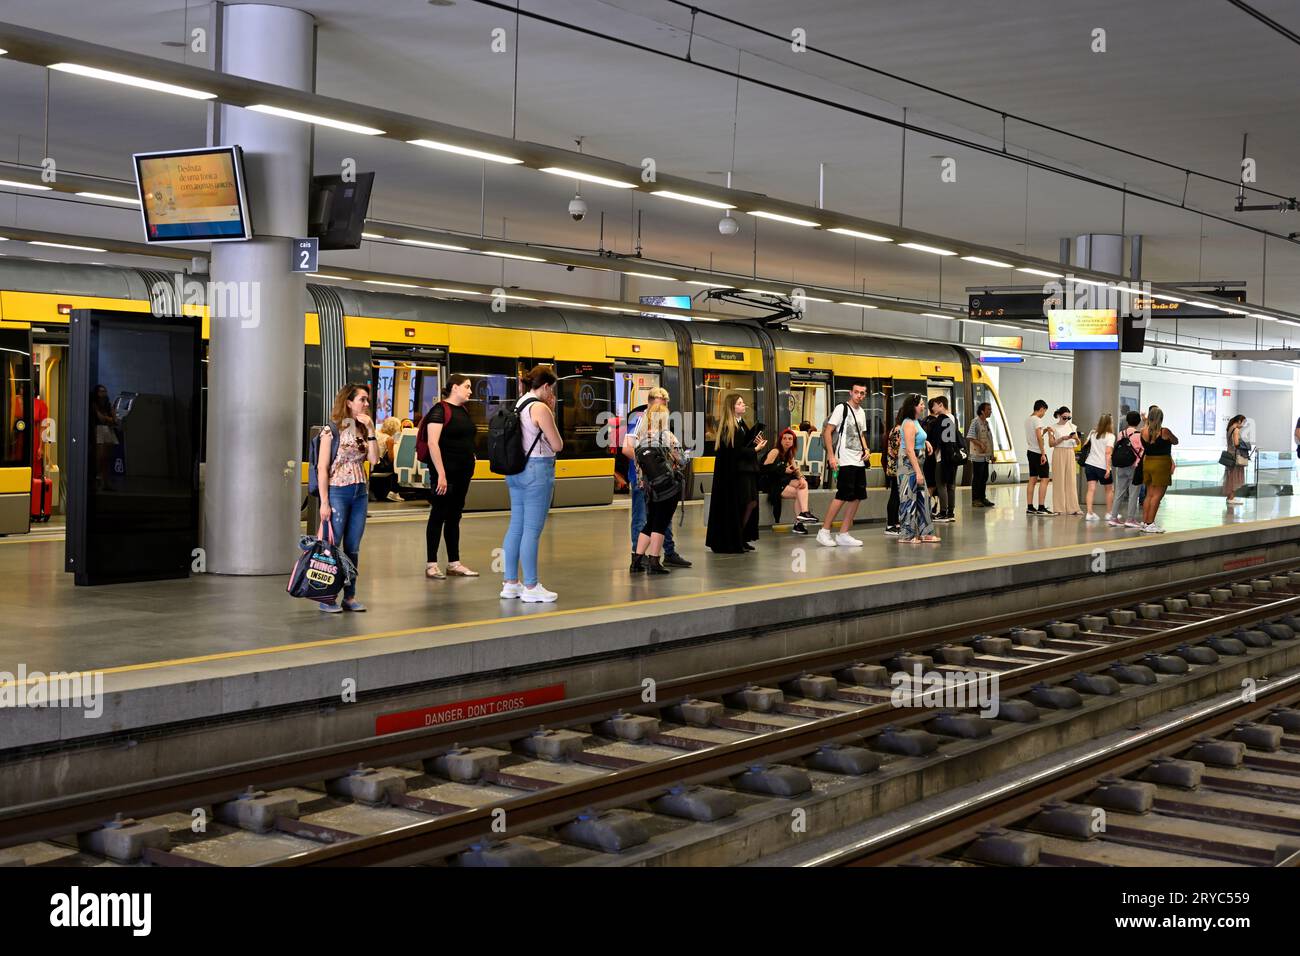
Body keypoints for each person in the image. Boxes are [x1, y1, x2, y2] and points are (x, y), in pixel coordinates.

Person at [501, 365, 564, 602]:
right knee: (532, 530)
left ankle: (510, 583)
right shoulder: (540, 408)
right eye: (552, 389)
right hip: (537, 471)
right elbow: (557, 444)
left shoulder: (520, 403)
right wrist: (552, 410)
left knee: (516, 526)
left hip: (516, 471)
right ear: (546, 386)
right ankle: (531, 586)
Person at [317, 383, 379, 613]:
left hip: (359, 492)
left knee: (353, 546)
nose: (366, 404)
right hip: (337, 491)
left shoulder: (363, 429)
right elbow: (322, 468)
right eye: (362, 399)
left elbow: (374, 460)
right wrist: (324, 502)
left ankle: (349, 596)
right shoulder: (331, 430)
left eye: (367, 400)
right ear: (349, 402)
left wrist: (371, 429)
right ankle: (326, 596)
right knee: (332, 546)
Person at [622, 395, 693, 569]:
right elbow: (682, 460)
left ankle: (636, 561)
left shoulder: (640, 437)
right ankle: (654, 561)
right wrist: (686, 456)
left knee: (649, 522)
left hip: (648, 487)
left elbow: (637, 463)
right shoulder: (667, 436)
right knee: (661, 523)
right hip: (667, 487)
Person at [420, 374, 479, 580]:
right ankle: (431, 564)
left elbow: (464, 437)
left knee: (454, 516)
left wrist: (471, 455)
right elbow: (433, 443)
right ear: (454, 388)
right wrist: (442, 475)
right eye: (467, 387)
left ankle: (454, 562)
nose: (470, 391)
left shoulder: (462, 410)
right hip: (445, 474)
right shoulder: (438, 411)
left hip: (463, 472)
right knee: (439, 514)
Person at [706, 393, 765, 553]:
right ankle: (736, 537)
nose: (743, 405)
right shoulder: (728, 427)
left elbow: (740, 447)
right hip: (736, 475)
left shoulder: (740, 424)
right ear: (732, 407)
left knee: (749, 503)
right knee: (743, 504)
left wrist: (754, 443)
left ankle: (740, 536)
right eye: (740, 403)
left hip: (744, 472)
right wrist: (755, 449)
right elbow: (734, 452)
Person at [817, 382, 869, 548]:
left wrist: (866, 448)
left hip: (859, 461)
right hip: (845, 460)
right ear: (850, 393)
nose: (859, 396)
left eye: (862, 393)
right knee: (842, 495)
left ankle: (844, 533)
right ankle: (824, 531)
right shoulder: (842, 408)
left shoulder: (861, 412)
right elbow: (828, 431)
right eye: (856, 392)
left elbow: (860, 434)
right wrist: (831, 457)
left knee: (857, 497)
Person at [897, 393, 939, 544]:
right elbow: (909, 449)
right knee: (908, 499)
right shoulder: (908, 423)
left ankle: (925, 532)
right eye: (921, 404)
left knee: (922, 498)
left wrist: (925, 441)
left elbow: (917, 438)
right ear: (913, 406)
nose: (923, 406)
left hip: (916, 465)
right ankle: (906, 535)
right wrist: (918, 472)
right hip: (909, 466)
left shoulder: (915, 421)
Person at [761, 427, 817, 533]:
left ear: (793, 442)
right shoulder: (775, 451)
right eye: (785, 438)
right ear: (780, 440)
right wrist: (783, 469)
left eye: (790, 439)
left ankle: (803, 515)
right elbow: (764, 469)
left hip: (782, 480)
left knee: (803, 484)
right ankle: (801, 519)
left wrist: (800, 477)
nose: (787, 441)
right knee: (798, 494)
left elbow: (795, 470)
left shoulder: (789, 453)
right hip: (772, 483)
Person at [1138, 405, 1178, 533]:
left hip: (1148, 462)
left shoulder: (1143, 431)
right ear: (1161, 418)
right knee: (1157, 496)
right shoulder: (1164, 431)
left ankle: (1144, 522)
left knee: (1149, 494)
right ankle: (1151, 523)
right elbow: (1176, 441)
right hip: (1161, 464)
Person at [925, 397, 962, 522]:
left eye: (934, 405)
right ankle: (950, 512)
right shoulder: (953, 418)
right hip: (953, 457)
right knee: (951, 485)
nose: (932, 408)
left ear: (941, 405)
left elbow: (937, 440)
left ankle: (943, 512)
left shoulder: (941, 420)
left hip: (942, 457)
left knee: (941, 484)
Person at [1109, 411, 1144, 528]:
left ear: (1127, 421)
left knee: (1119, 493)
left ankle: (1113, 518)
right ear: (1138, 422)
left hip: (1120, 466)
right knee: (1133, 494)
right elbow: (1142, 451)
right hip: (1133, 467)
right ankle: (1130, 519)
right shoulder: (1139, 435)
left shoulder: (1121, 433)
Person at [1047, 406, 1083, 516]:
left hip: (1070, 452)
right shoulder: (1052, 428)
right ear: (1059, 415)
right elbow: (1051, 444)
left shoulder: (1072, 426)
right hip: (1058, 452)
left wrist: (1075, 438)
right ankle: (1059, 508)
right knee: (1059, 480)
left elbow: (1078, 443)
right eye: (1064, 417)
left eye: (1068, 417)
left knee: (1071, 480)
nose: (1066, 420)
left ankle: (1073, 507)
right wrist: (1062, 438)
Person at [1082, 413, 1115, 521]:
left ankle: (1089, 513)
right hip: (1102, 466)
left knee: (1091, 489)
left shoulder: (1093, 433)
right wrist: (1108, 468)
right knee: (1109, 490)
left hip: (1090, 464)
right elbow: (1108, 453)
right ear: (1110, 423)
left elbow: (1085, 446)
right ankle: (1109, 513)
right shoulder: (1110, 436)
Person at [1024, 399, 1055, 516]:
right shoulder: (1037, 420)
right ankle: (1041, 507)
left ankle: (1030, 507)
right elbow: (1038, 437)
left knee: (1032, 479)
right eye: (1044, 412)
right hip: (1038, 452)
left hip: (1030, 451)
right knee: (1045, 479)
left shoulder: (1028, 419)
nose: (1043, 414)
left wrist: (1045, 430)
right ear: (1041, 409)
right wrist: (1043, 454)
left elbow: (1037, 435)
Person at [967, 402, 995, 508]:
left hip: (985, 456)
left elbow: (989, 439)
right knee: (977, 477)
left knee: (984, 477)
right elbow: (970, 436)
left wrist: (992, 454)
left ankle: (982, 498)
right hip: (977, 456)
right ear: (982, 411)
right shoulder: (975, 422)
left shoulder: (986, 423)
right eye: (988, 409)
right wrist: (980, 444)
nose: (990, 411)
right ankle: (975, 499)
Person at [369, 417, 403, 503]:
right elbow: (391, 458)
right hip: (378, 464)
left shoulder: (375, 433)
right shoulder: (389, 439)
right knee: (396, 467)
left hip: (369, 462)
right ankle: (394, 492)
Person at [883, 412, 902, 536]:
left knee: (897, 495)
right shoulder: (898, 430)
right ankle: (891, 524)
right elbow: (897, 449)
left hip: (896, 467)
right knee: (895, 495)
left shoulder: (896, 428)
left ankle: (895, 522)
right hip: (897, 468)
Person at [1223, 414, 1247, 507]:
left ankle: (1230, 497)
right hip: (1235, 456)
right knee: (1234, 477)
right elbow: (1236, 444)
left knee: (1230, 476)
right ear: (1239, 421)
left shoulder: (1229, 429)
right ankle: (1231, 498)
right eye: (1243, 422)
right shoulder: (1236, 430)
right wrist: (1245, 445)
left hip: (1229, 454)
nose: (1243, 425)